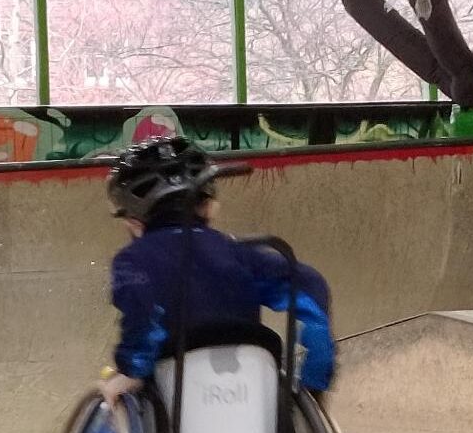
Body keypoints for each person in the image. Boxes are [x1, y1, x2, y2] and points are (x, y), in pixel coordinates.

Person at [98, 136, 335, 409]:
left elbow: (143, 316)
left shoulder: (132, 260)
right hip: (250, 389)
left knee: (119, 403)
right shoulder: (241, 254)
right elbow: (310, 287)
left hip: (174, 400)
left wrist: (131, 370)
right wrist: (316, 374)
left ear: (132, 222)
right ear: (210, 206)